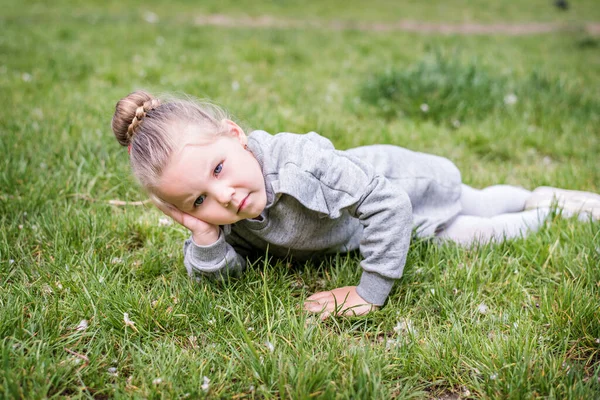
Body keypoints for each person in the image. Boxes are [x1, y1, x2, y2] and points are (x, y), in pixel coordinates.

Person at [111, 91, 600, 319]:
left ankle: (547, 204)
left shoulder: (297, 163)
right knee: (472, 235)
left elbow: (387, 203)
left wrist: (369, 292)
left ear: (235, 136)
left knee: (479, 205)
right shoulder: (224, 214)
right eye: (198, 200)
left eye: (218, 170)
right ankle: (541, 209)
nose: (224, 196)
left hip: (405, 187)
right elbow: (228, 275)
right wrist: (204, 238)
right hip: (371, 228)